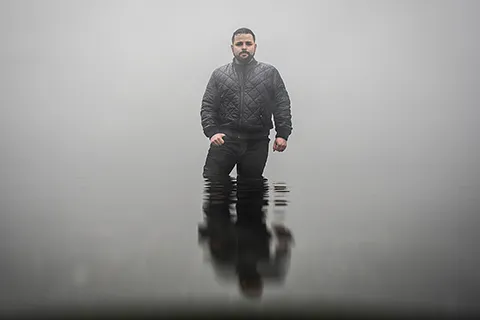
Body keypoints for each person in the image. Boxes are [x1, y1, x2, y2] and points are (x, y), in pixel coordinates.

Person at [200, 27, 293, 180]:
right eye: (239, 44)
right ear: (232, 48)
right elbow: (208, 106)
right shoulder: (219, 75)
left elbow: (281, 104)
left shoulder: (269, 73)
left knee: (251, 194)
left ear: (255, 47)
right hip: (225, 141)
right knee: (214, 189)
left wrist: (282, 134)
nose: (244, 47)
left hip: (256, 142)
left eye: (248, 43)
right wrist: (212, 132)